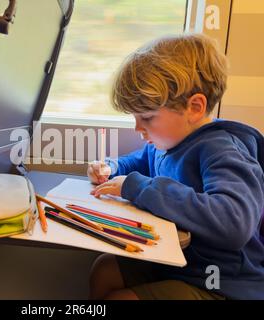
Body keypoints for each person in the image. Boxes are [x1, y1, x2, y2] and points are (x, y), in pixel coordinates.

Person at [87, 33, 264, 300]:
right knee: (104, 270)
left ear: (194, 107)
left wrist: (140, 187)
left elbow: (234, 222)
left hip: (221, 281)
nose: (138, 128)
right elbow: (139, 162)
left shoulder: (221, 149)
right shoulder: (168, 142)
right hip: (181, 262)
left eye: (147, 117)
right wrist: (111, 167)